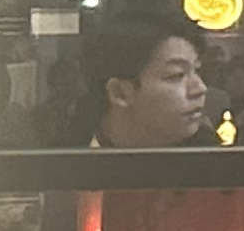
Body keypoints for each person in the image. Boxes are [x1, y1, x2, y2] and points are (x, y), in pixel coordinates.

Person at [82, 12, 213, 147]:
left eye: (197, 71)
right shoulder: (75, 154)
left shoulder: (211, 151)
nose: (200, 88)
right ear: (119, 92)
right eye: (176, 75)